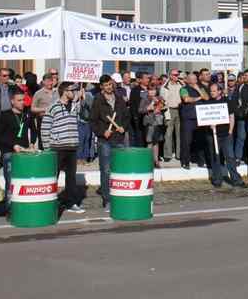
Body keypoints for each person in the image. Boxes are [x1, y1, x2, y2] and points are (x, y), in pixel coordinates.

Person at [41, 82, 84, 213]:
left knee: (71, 177)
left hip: (71, 146)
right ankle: (50, 202)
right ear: (65, 91)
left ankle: (71, 203)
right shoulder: (53, 107)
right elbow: (45, 128)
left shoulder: (75, 106)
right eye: (73, 90)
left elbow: (82, 116)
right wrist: (47, 149)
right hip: (57, 147)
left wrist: (80, 99)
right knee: (53, 176)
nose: (75, 92)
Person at [91, 75, 131, 209]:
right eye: (106, 85)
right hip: (105, 141)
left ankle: (118, 195)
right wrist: (103, 132)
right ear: (101, 86)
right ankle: (106, 198)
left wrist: (123, 127)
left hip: (118, 139)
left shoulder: (119, 99)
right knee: (106, 170)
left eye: (110, 84)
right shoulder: (98, 101)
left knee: (119, 168)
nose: (109, 87)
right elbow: (93, 122)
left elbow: (126, 116)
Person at [0, 89, 35, 210]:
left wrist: (32, 142)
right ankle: (10, 208)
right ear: (12, 101)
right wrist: (13, 145)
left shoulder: (27, 114)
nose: (22, 102)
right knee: (11, 182)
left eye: (23, 100)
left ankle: (23, 205)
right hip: (10, 153)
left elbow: (33, 129)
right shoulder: (5, 115)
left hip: (25, 152)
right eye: (19, 100)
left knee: (24, 180)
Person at [205, 82, 246, 188]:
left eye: (214, 91)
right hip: (213, 135)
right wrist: (209, 124)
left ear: (219, 91)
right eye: (211, 91)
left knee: (230, 157)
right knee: (215, 157)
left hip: (226, 134)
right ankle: (217, 179)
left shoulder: (227, 102)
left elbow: (231, 117)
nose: (212, 93)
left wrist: (230, 131)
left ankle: (236, 180)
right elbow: (204, 117)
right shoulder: (208, 103)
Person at [179, 72, 205, 169]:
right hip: (188, 118)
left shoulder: (200, 88)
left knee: (200, 140)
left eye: (196, 78)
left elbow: (206, 97)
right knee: (187, 141)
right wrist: (199, 98)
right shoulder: (183, 89)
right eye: (193, 78)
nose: (195, 80)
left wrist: (198, 89)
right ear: (188, 80)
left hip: (199, 118)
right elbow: (186, 99)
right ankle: (185, 161)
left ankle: (201, 160)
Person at [160, 69, 183, 162]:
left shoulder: (181, 85)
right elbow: (162, 100)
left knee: (179, 133)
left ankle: (179, 154)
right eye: (174, 75)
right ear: (170, 75)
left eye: (177, 75)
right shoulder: (164, 87)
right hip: (169, 110)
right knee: (168, 134)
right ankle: (167, 155)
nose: (176, 76)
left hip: (180, 110)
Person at [139, 87, 165, 168]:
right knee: (149, 142)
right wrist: (148, 108)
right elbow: (140, 110)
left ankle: (156, 161)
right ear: (148, 91)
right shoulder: (144, 99)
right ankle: (149, 161)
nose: (152, 92)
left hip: (157, 122)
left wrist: (160, 106)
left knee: (156, 142)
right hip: (149, 123)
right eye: (150, 90)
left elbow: (164, 106)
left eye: (154, 90)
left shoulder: (159, 98)